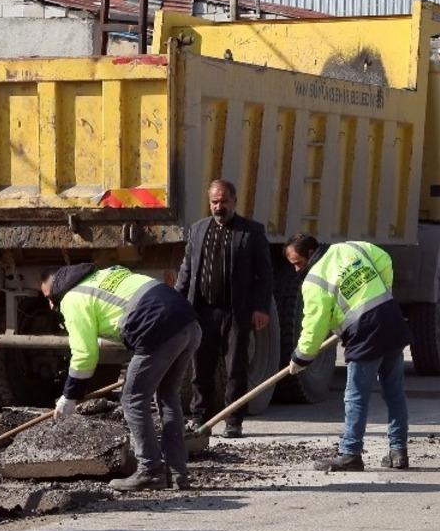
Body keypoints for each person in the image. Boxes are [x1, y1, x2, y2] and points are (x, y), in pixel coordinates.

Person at [42, 263, 202, 492]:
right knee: (167, 396)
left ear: (58, 290)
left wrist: (69, 396)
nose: (50, 305)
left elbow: (85, 355)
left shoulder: (72, 299)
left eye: (49, 298)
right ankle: (178, 473)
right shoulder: (103, 275)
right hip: (188, 321)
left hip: (159, 327)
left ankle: (150, 471)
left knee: (132, 399)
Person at [283, 234, 412, 472]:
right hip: (390, 319)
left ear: (311, 252)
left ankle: (351, 453)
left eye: (298, 262)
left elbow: (314, 323)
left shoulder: (314, 280)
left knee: (356, 397)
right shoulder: (353, 247)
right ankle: (398, 451)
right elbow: (384, 260)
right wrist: (381, 295)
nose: (296, 269)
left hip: (365, 333)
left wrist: (302, 356)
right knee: (394, 392)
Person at [174, 180, 272, 439]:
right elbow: (187, 271)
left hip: (236, 312)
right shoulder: (197, 230)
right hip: (202, 311)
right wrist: (174, 302)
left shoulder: (251, 232)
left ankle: (233, 420)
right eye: (214, 202)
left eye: (223, 201)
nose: (219, 207)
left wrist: (261, 307)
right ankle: (199, 417)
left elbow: (265, 274)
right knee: (200, 366)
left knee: (235, 368)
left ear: (234, 201)